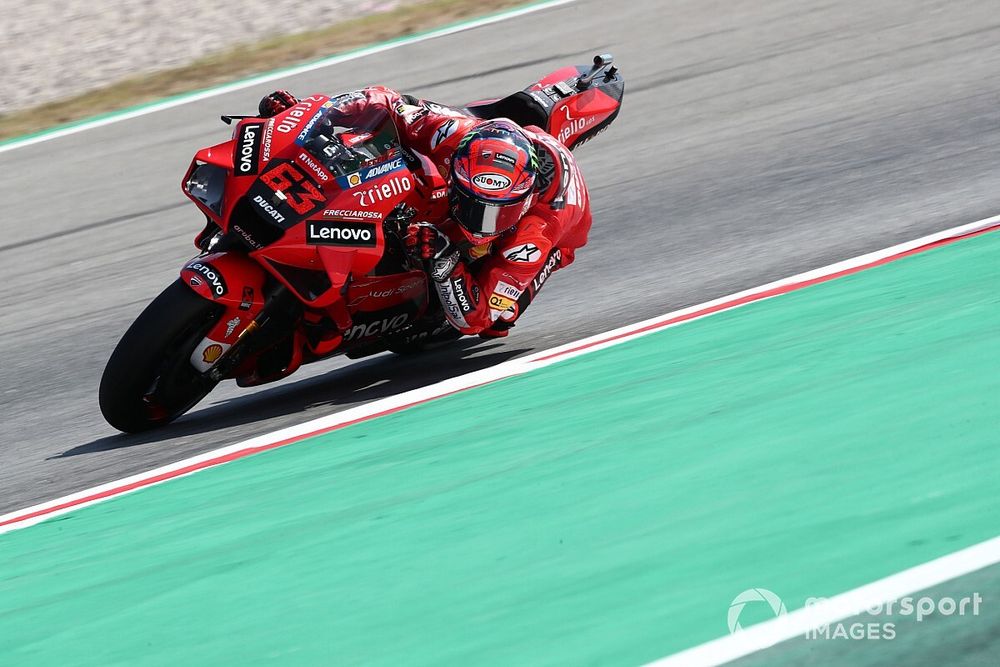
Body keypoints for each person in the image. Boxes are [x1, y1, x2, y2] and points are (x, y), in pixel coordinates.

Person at [258, 87, 593, 338]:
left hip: (559, 235)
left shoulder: (539, 231)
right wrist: (308, 114)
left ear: (523, 200)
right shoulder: (450, 134)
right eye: (473, 205)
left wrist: (447, 261)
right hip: (486, 151)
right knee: (400, 171)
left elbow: (477, 318)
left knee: (497, 319)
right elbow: (385, 101)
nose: (480, 224)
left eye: (495, 213)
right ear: (458, 172)